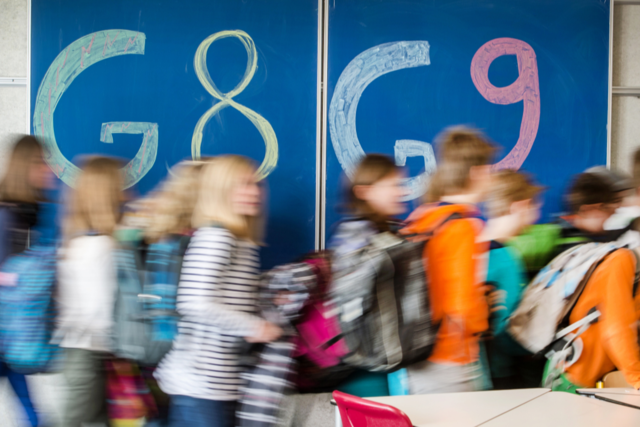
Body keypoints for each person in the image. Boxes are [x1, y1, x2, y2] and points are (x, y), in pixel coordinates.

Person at [154, 155, 281, 427]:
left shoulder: (238, 241)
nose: (253, 192)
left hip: (218, 383)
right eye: (242, 185)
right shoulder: (217, 237)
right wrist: (255, 326)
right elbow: (194, 303)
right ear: (220, 191)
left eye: (255, 184)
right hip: (200, 384)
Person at [402, 126, 495, 394]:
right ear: (477, 172)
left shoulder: (422, 216)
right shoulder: (465, 226)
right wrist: (484, 311)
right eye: (491, 169)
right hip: (450, 356)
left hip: (415, 349)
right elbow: (461, 306)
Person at [542, 172, 640, 391]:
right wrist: (637, 378)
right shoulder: (620, 258)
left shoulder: (604, 253)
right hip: (575, 378)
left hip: (570, 369)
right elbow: (616, 327)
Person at [329, 154, 407, 397]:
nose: (400, 192)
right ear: (364, 191)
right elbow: (350, 306)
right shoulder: (354, 240)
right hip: (367, 371)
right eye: (393, 185)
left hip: (390, 366)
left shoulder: (389, 234)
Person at [56, 156, 125, 427]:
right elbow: (102, 309)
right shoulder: (105, 247)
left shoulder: (73, 244)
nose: (126, 193)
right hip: (91, 352)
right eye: (120, 186)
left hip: (78, 349)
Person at [0, 135, 55, 427]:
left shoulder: (26, 214)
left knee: (29, 406)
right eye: (41, 163)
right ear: (26, 167)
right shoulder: (7, 215)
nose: (49, 170)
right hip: (7, 329)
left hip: (10, 330)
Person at [480, 170, 542, 389]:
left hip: (477, 367)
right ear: (520, 206)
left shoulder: (473, 246)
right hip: (501, 371)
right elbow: (508, 327)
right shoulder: (506, 258)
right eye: (535, 207)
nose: (536, 216)